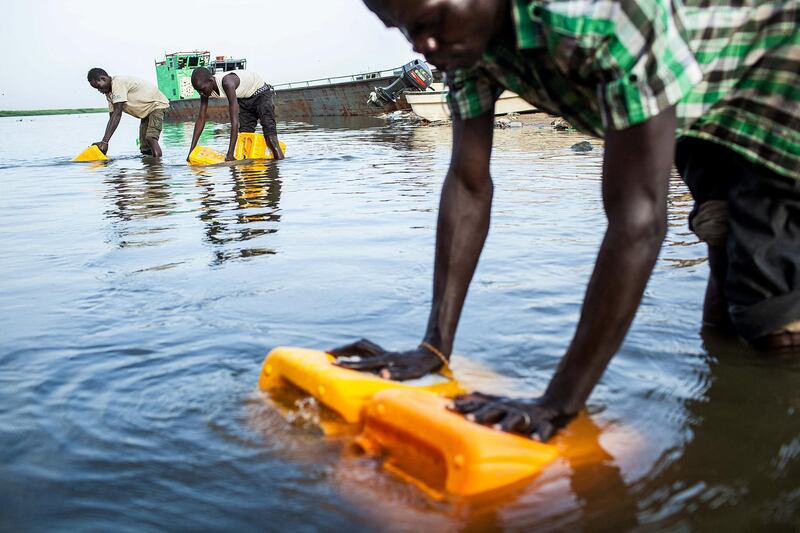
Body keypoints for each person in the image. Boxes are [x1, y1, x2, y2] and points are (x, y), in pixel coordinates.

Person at [332, 0, 800, 441]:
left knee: (769, 313)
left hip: (779, 85)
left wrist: (558, 403)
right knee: (722, 279)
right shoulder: (467, 47)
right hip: (699, 98)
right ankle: (719, 440)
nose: (421, 46)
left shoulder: (598, 14)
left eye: (430, 21)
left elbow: (638, 221)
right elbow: (468, 185)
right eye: (407, 30)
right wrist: (435, 346)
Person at [188, 67, 284, 162]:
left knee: (270, 138)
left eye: (202, 89)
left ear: (211, 80)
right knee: (245, 139)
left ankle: (278, 169)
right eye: (198, 91)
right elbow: (201, 119)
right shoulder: (205, 91)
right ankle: (251, 174)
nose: (200, 93)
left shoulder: (227, 83)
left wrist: (230, 154)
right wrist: (191, 152)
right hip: (244, 98)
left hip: (261, 94)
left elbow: (234, 122)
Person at [87, 68, 170, 157]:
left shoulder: (118, 83)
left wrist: (104, 142)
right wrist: (104, 142)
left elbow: (117, 114)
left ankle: (157, 168)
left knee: (151, 138)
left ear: (103, 79)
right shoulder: (109, 94)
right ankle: (150, 166)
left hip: (157, 105)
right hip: (146, 112)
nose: (99, 91)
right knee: (145, 147)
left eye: (99, 87)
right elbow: (112, 118)